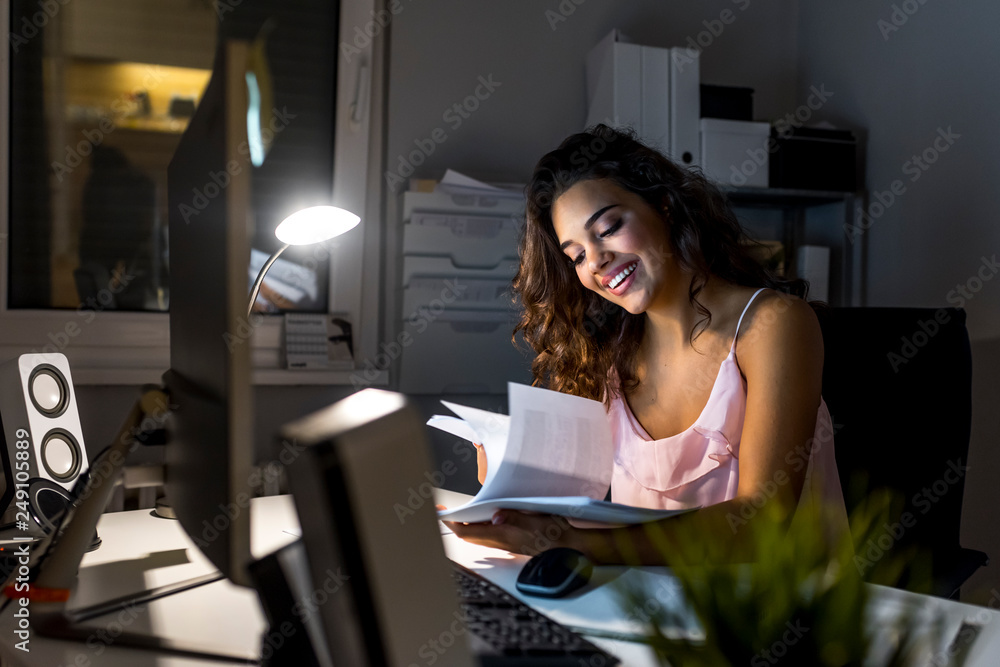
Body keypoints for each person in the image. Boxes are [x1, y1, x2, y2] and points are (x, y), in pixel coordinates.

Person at [444, 124, 849, 565]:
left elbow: (761, 523)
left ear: (665, 206)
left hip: (780, 617)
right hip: (653, 610)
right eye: (576, 255)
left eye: (609, 227)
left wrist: (578, 545)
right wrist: (507, 480)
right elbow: (574, 499)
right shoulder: (607, 351)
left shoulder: (774, 324)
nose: (596, 262)